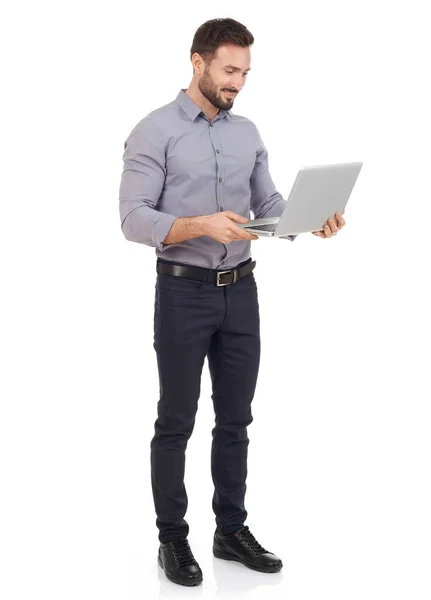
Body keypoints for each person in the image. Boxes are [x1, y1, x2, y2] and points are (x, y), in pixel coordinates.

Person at [118, 17, 345, 587]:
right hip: (182, 292)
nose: (238, 82)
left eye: (245, 72)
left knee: (237, 419)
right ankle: (173, 537)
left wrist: (308, 221)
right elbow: (133, 217)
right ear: (197, 63)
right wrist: (199, 225)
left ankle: (229, 530)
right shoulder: (155, 130)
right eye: (229, 70)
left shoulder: (247, 133)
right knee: (176, 420)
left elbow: (266, 199)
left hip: (241, 292)